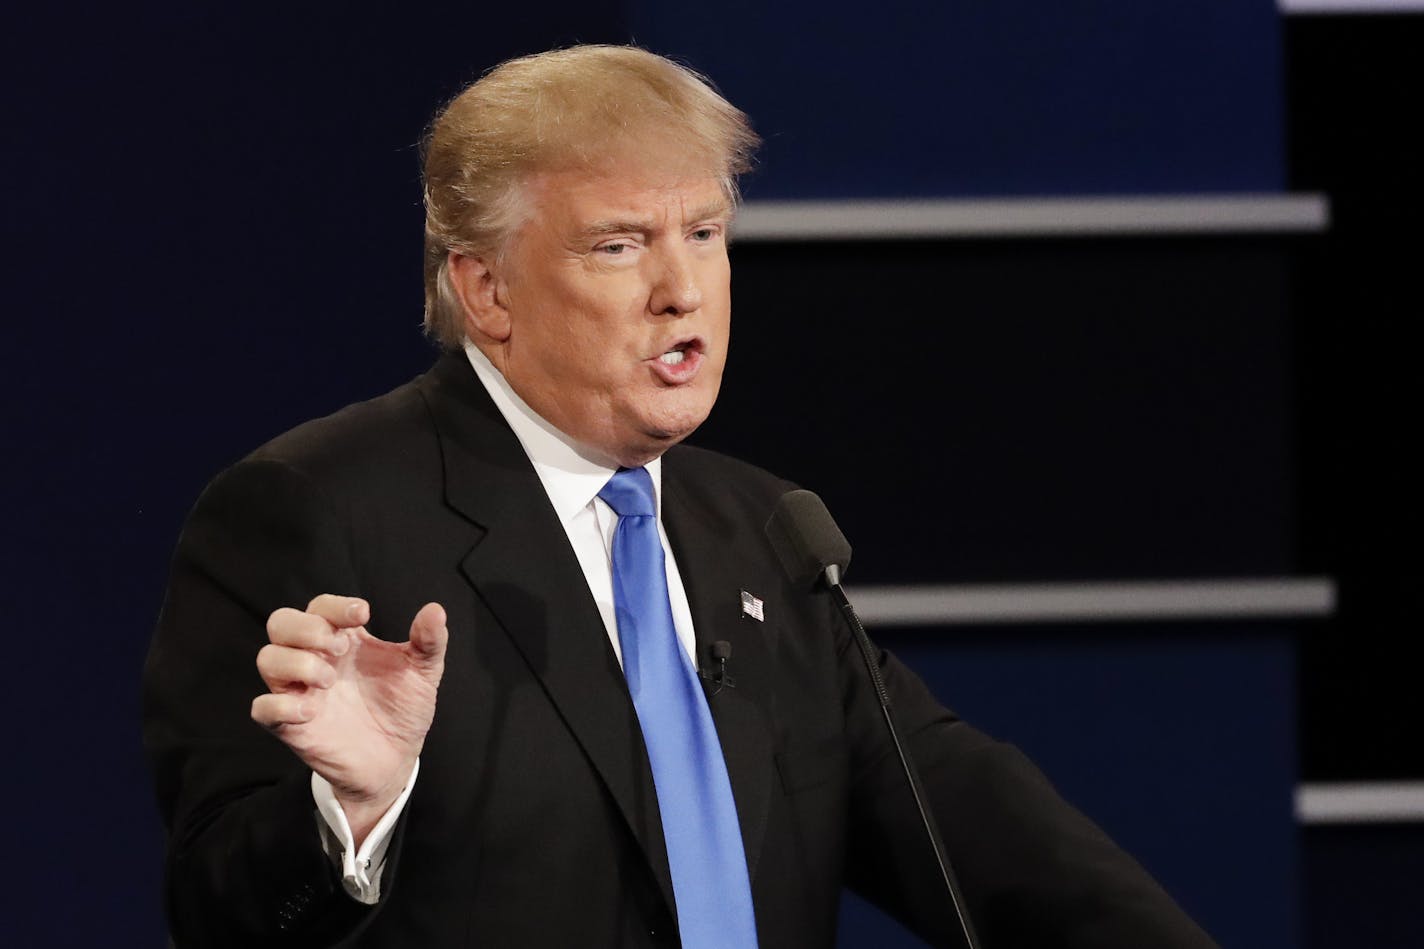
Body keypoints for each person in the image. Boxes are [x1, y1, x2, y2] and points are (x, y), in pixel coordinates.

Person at [143, 45, 1217, 949]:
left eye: (702, 234)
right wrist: (352, 810)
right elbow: (219, 914)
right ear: (486, 289)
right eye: (619, 246)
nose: (682, 290)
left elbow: (980, 833)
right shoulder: (314, 510)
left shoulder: (763, 534)